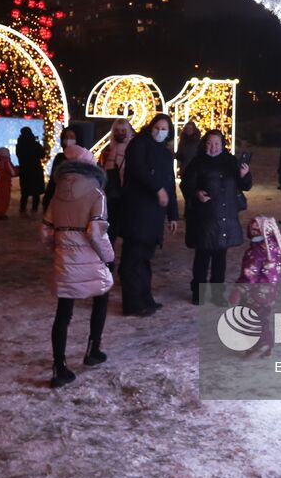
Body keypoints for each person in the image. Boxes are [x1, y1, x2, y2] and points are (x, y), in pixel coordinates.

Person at [41, 156, 115, 387]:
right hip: (90, 257)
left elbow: (45, 230)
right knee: (101, 297)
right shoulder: (97, 194)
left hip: (65, 257)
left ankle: (59, 366)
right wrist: (109, 256)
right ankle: (93, 349)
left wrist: (58, 248)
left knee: (63, 312)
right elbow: (96, 232)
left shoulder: (57, 195)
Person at [118, 113, 179, 315]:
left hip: (154, 215)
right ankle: (132, 303)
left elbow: (169, 183)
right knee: (133, 259)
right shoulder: (139, 144)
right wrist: (156, 189)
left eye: (164, 129)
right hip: (138, 211)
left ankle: (145, 298)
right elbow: (138, 169)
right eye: (157, 127)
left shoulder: (165, 152)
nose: (160, 132)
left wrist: (173, 215)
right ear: (150, 127)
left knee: (145, 258)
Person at [180, 129, 251, 304]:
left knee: (220, 257)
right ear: (205, 144)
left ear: (222, 144)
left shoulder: (230, 161)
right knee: (202, 256)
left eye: (217, 143)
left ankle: (218, 294)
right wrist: (196, 193)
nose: (213, 147)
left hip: (225, 216)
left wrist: (244, 175)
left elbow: (245, 186)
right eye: (210, 143)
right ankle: (199, 293)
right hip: (204, 216)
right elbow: (186, 184)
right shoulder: (198, 162)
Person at [231, 215, 281, 357]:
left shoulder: (255, 253)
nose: (253, 233)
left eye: (256, 230)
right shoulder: (275, 248)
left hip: (254, 292)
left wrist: (239, 290)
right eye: (252, 230)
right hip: (270, 291)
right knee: (261, 317)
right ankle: (265, 347)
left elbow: (250, 273)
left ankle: (261, 344)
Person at [98, 118, 133, 252]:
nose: (120, 133)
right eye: (117, 130)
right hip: (111, 195)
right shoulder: (107, 150)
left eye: (123, 131)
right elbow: (102, 171)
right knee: (111, 229)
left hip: (127, 195)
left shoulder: (133, 150)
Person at [43, 125, 94, 210]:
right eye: (65, 137)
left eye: (71, 137)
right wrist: (47, 201)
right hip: (59, 203)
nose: (68, 140)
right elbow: (53, 181)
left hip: (78, 205)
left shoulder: (85, 158)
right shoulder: (60, 158)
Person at [15, 126, 46, 216]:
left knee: (25, 192)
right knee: (36, 192)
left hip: (25, 170)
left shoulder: (19, 145)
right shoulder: (35, 144)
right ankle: (34, 209)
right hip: (36, 170)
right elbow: (42, 155)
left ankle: (22, 209)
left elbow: (19, 155)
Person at [0, 147, 15, 220]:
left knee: (1, 199)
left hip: (0, 182)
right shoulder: (6, 161)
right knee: (5, 199)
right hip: (5, 182)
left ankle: (0, 213)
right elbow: (12, 172)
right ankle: (1, 214)